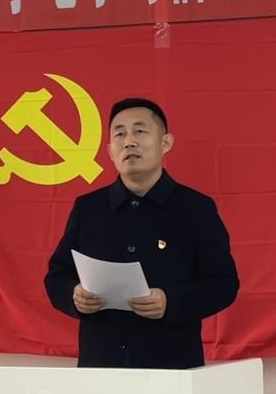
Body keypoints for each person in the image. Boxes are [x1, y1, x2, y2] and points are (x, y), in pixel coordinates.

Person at [44, 97, 239, 369]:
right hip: (100, 365)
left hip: (172, 366)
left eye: (140, 131)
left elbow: (224, 284)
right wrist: (74, 295)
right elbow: (56, 276)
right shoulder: (89, 208)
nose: (129, 141)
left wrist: (171, 302)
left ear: (165, 143)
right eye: (119, 134)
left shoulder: (195, 208)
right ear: (110, 151)